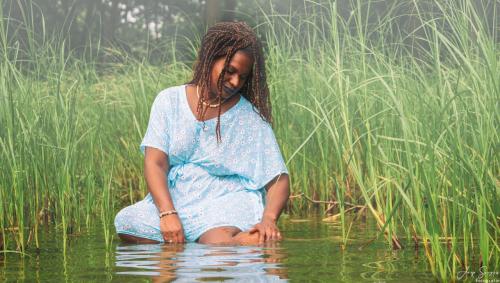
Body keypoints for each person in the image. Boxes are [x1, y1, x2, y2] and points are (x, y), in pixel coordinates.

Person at [114, 21, 290, 245]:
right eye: (229, 71)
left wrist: (268, 219)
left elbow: (278, 178)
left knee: (215, 245)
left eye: (243, 77)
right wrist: (168, 214)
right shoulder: (169, 101)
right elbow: (155, 163)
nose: (235, 81)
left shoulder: (249, 117)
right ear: (209, 58)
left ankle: (241, 242)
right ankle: (201, 246)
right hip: (179, 198)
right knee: (127, 223)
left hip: (226, 199)